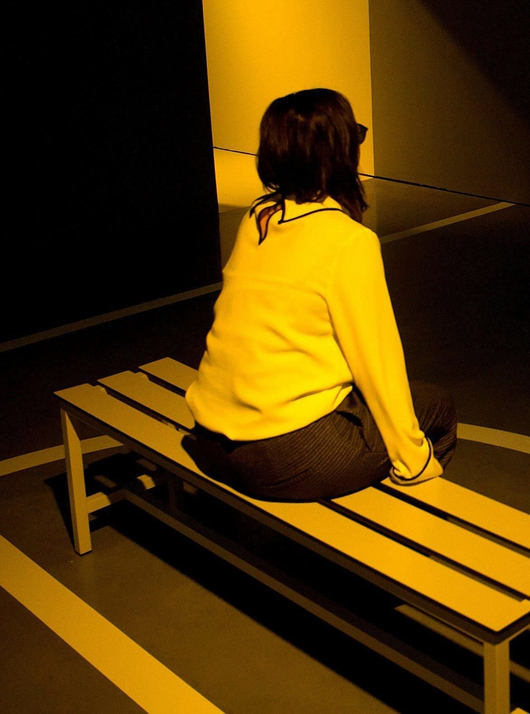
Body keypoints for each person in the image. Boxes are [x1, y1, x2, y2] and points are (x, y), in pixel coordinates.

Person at [184, 88, 455, 501]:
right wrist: (414, 461)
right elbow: (377, 364)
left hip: (210, 439)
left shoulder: (258, 217)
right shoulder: (349, 241)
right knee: (436, 406)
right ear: (341, 154)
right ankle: (409, 527)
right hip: (285, 457)